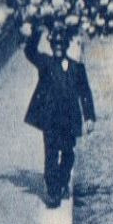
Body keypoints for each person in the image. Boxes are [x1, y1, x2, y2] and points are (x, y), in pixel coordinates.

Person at [22, 25, 96, 209]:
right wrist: (37, 30)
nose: (57, 48)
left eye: (60, 45)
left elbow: (84, 92)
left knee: (69, 154)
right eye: (54, 44)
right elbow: (30, 52)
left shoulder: (77, 68)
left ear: (65, 46)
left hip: (69, 118)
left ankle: (63, 181)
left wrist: (89, 117)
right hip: (50, 118)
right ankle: (53, 192)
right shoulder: (45, 63)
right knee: (51, 154)